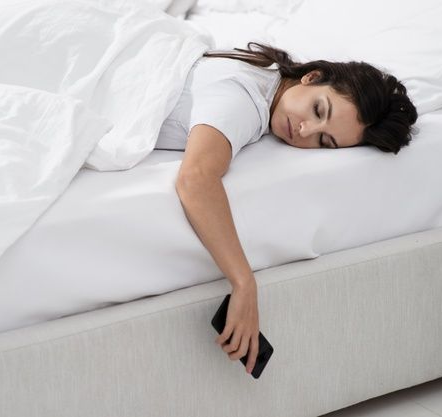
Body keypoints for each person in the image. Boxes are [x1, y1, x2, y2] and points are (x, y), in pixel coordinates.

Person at [155, 42, 418, 375]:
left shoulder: (265, 73)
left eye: (324, 141)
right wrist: (243, 283)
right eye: (319, 110)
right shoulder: (242, 99)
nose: (305, 130)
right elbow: (196, 178)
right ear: (312, 77)